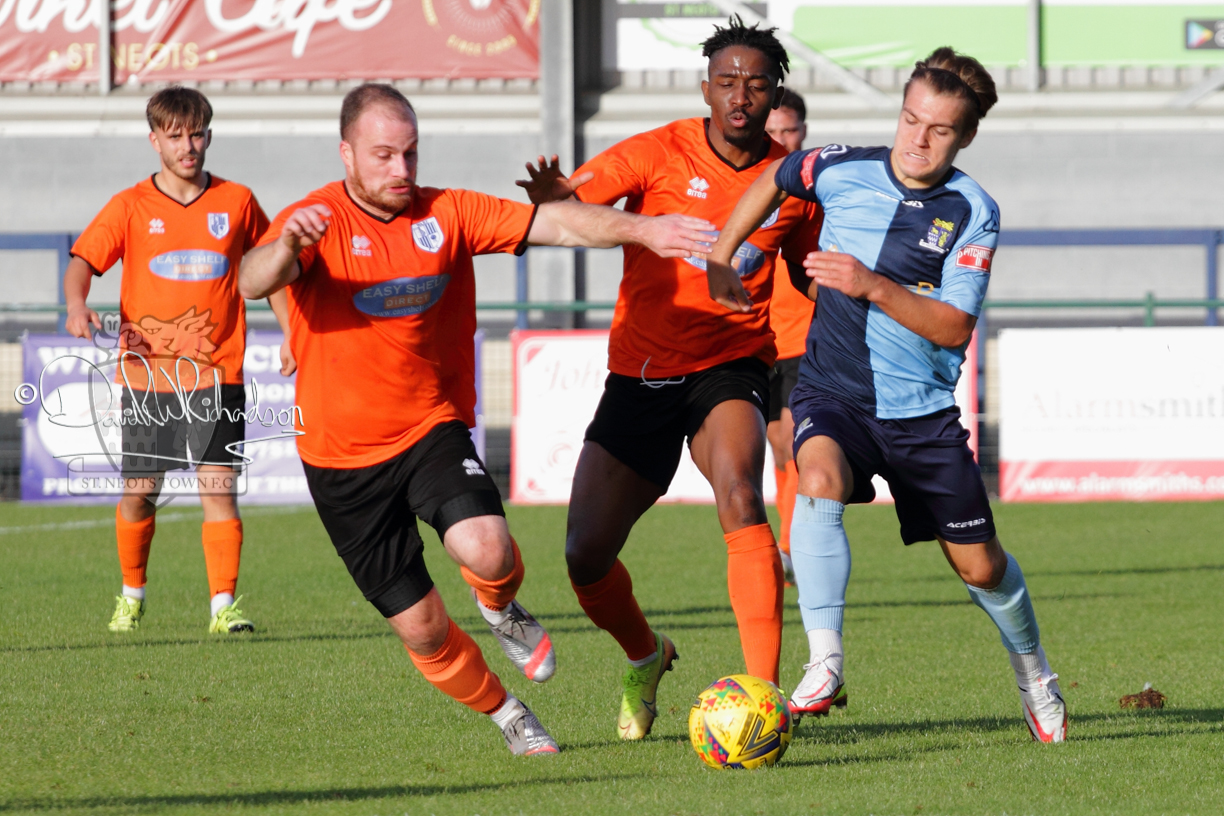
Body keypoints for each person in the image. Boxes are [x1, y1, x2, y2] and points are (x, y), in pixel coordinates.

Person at [237, 84, 714, 755]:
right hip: (340, 460)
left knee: (490, 550)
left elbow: (556, 224)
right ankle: (508, 714)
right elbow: (252, 279)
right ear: (346, 154)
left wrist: (645, 229)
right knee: (423, 629)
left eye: (410, 153)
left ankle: (498, 606)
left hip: (428, 428)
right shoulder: (314, 220)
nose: (401, 169)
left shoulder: (449, 212)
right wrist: (287, 244)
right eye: (383, 155)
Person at [705, 47, 1067, 742]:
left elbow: (953, 326)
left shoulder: (973, 211)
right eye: (910, 119)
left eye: (939, 129)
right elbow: (776, 177)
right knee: (814, 477)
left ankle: (1034, 673)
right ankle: (825, 661)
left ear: (965, 137)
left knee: (981, 566)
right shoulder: (841, 167)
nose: (917, 139)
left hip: (920, 416)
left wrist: (870, 284)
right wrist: (722, 254)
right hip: (834, 392)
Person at [516, 16, 824, 740]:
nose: (740, 95)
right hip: (643, 373)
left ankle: (764, 702)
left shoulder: (793, 182)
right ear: (705, 89)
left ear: (774, 93)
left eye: (755, 84)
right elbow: (569, 214)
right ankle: (646, 654)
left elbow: (810, 274)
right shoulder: (656, 152)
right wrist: (557, 198)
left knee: (741, 495)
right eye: (727, 82)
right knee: (585, 556)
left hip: (731, 365)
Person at [65, 86, 285, 635]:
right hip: (148, 378)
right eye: (176, 136)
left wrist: (292, 331)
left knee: (219, 489)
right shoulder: (131, 206)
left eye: (197, 134)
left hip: (219, 373)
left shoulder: (237, 201)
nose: (188, 146)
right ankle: (132, 594)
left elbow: (273, 267)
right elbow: (83, 261)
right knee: (141, 493)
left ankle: (223, 608)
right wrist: (76, 304)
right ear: (154, 141)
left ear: (209, 136)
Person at [763, 88, 812, 584]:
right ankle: (788, 543)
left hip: (806, 337)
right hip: (759, 337)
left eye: (789, 129)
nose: (781, 138)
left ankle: (792, 546)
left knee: (798, 442)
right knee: (778, 444)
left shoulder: (815, 189)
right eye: (773, 130)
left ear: (803, 131)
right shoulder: (748, 184)